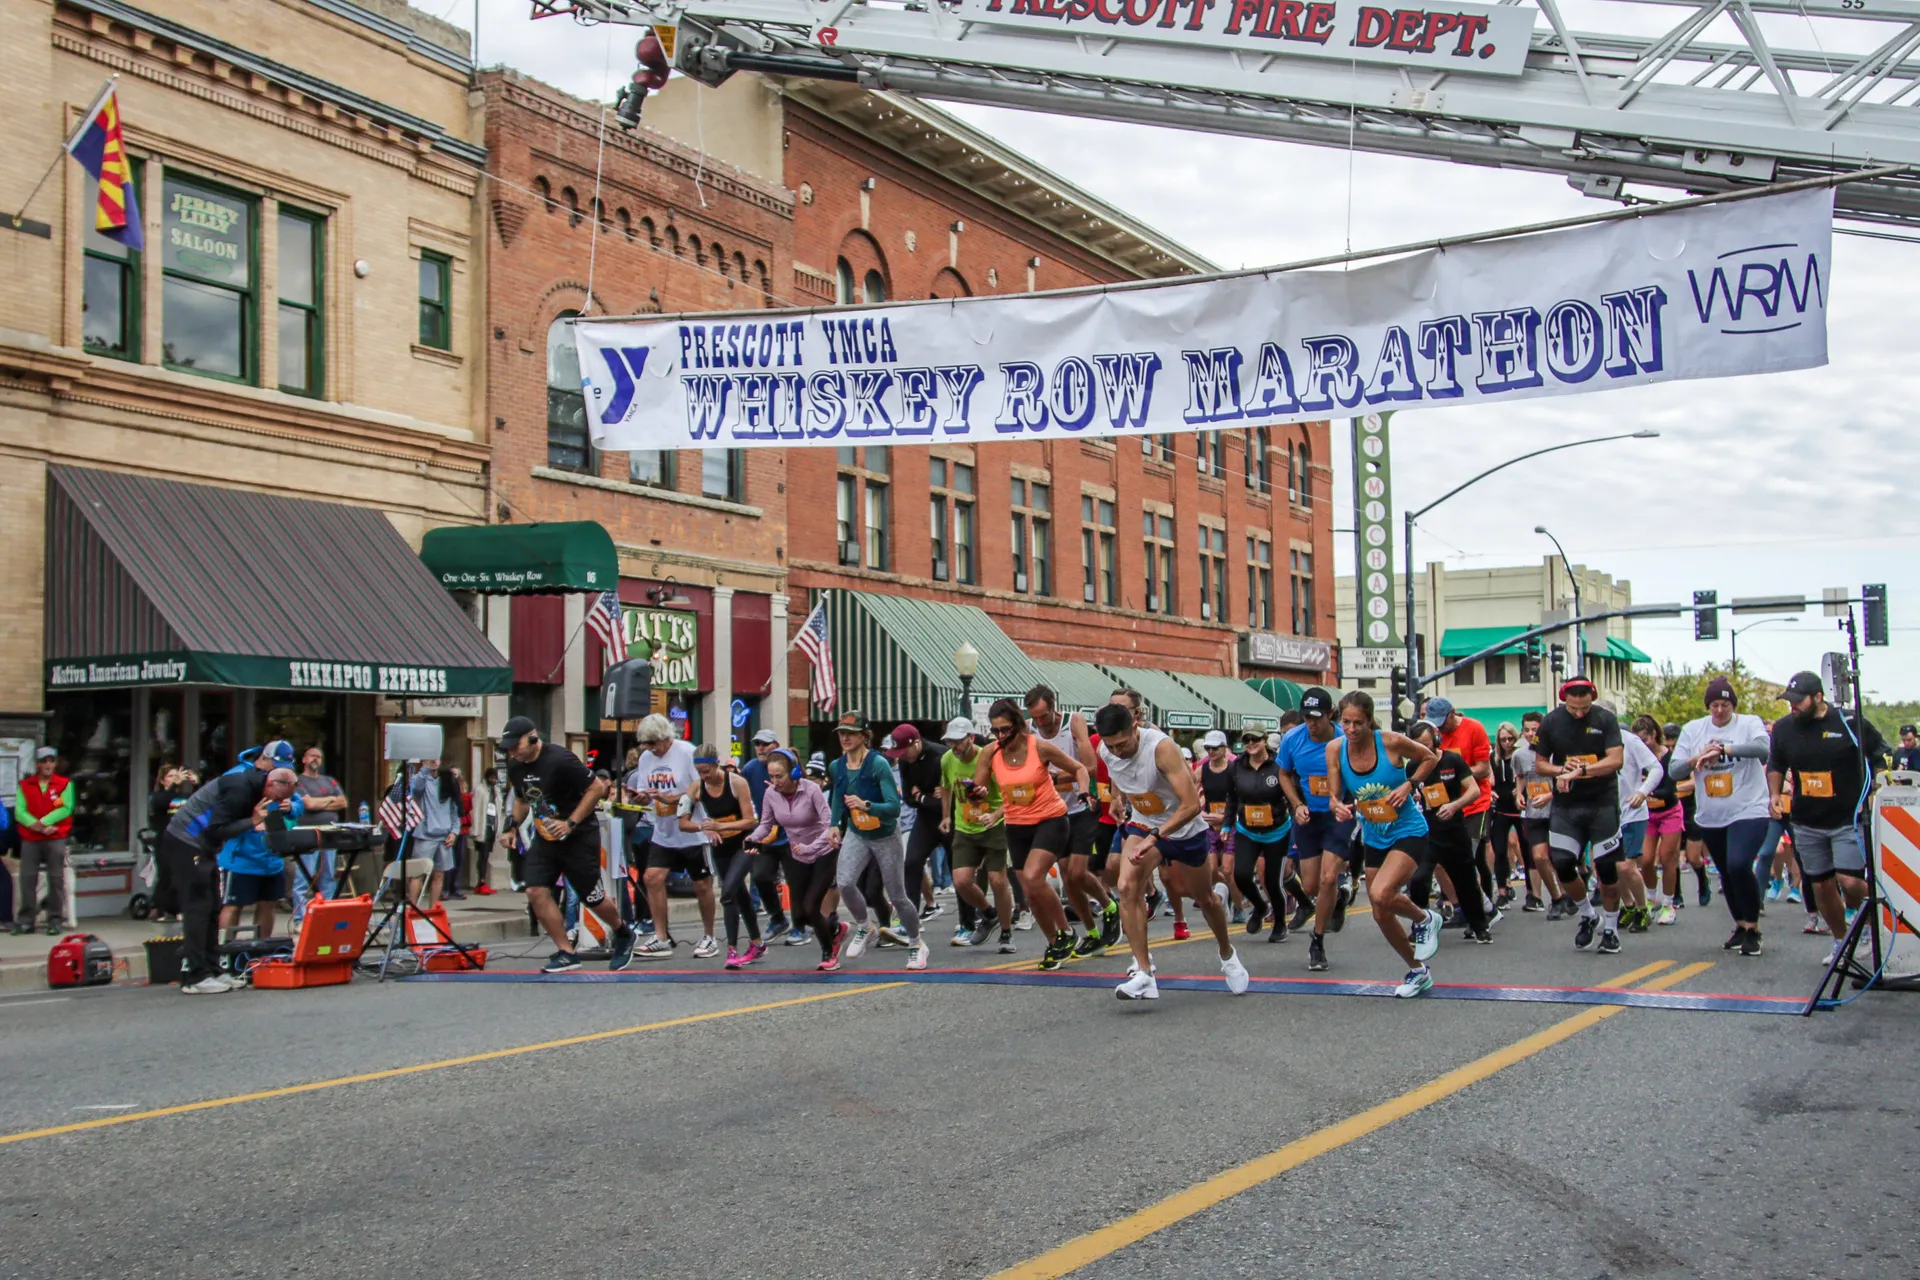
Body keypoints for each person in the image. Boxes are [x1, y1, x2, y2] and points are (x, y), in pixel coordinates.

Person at [1096, 702, 1248, 1002]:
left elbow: (1192, 805)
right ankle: (1144, 973)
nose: (1117, 751)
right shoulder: (1107, 750)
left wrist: (1156, 836)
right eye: (1110, 745)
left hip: (1184, 829)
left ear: (1135, 729)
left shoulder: (1161, 749)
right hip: (1143, 824)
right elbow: (1119, 773)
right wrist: (1116, 798)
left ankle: (1228, 954)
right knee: (1126, 886)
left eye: (1123, 744)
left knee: (1204, 899)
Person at [1324, 692, 1442, 997]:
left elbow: (1430, 757)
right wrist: (1337, 806)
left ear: (1370, 720)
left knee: (1380, 892)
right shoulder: (1335, 749)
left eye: (1358, 723)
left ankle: (1425, 918)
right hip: (1374, 834)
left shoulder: (1390, 741)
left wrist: (1409, 784)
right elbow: (1335, 795)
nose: (1350, 729)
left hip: (1407, 829)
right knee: (1380, 910)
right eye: (1345, 722)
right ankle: (1418, 970)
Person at [496, 717, 636, 974]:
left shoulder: (560, 759)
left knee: (591, 897)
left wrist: (570, 823)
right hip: (545, 838)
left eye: (516, 745)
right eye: (508, 748)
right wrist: (511, 827)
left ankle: (622, 932)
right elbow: (521, 800)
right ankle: (566, 952)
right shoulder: (516, 766)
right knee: (535, 890)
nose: (512, 751)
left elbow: (596, 789)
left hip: (578, 835)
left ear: (533, 738)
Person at [1769, 671, 1889, 964]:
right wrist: (1774, 794)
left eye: (1798, 701)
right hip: (1807, 820)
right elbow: (1777, 763)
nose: (1792, 707)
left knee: (1849, 881)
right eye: (1789, 702)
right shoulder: (1784, 729)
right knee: (1821, 885)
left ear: (1819, 698)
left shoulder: (1848, 722)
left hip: (1847, 818)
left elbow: (1879, 754)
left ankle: (1873, 921)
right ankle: (1841, 940)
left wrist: (1878, 780)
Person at [162, 740, 295, 992]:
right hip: (186, 839)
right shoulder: (240, 787)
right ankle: (194, 977)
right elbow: (216, 829)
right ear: (269, 782)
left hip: (205, 845)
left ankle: (213, 968)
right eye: (276, 798)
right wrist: (252, 820)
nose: (275, 802)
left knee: (213, 905)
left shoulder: (260, 784)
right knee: (197, 907)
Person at [972, 699, 1089, 971]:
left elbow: (1080, 769)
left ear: (1019, 726)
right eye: (995, 731)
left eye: (1005, 730)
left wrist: (1083, 791)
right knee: (1030, 891)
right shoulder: (990, 753)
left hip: (1051, 819)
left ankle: (1067, 932)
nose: (1001, 737)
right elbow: (976, 791)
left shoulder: (1039, 747)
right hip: (1016, 824)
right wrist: (975, 795)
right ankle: (1054, 943)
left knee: (1035, 877)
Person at [1672, 677, 1773, 957]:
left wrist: (1725, 749)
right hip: (1712, 814)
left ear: (1733, 705)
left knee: (1739, 864)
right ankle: (1740, 925)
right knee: (1727, 873)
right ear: (1708, 706)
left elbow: (1763, 749)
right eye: (1714, 705)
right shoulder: (1693, 730)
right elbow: (1674, 770)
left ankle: (1753, 928)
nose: (1719, 710)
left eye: (1725, 704)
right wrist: (1698, 757)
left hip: (1749, 808)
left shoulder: (1748, 723)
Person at [1532, 677, 1628, 954]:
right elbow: (1540, 764)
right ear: (1565, 701)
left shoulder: (1605, 719)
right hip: (1567, 806)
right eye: (1574, 708)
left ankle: (1610, 928)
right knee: (1562, 863)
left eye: (1584, 707)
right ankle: (1587, 914)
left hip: (1602, 803)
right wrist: (1562, 769)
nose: (1579, 712)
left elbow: (1615, 760)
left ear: (1592, 699)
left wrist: (1583, 771)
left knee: (1607, 869)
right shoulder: (1551, 722)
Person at [830, 711, 929, 970]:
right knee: (845, 882)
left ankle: (917, 943)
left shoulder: (878, 764)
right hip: (857, 833)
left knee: (897, 895)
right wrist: (833, 825)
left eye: (850, 733)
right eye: (841, 733)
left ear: (864, 735)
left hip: (885, 834)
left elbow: (894, 808)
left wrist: (866, 805)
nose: (845, 738)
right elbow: (837, 800)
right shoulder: (837, 766)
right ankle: (865, 926)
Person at [1027, 686, 1120, 957]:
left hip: (1081, 805)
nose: (1040, 723)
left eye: (1044, 716)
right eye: (1036, 718)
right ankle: (1091, 931)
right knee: (1067, 877)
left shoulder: (1073, 721)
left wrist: (1057, 778)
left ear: (1054, 708)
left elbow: (1089, 768)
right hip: (1053, 812)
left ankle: (1109, 906)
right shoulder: (1029, 730)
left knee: (1077, 872)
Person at [629, 715, 720, 959]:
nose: (650, 749)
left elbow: (701, 790)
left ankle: (710, 935)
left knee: (701, 884)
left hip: (692, 829)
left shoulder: (687, 752)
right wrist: (643, 797)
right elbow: (648, 793)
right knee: (652, 877)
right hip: (663, 830)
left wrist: (672, 798)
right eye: (646, 745)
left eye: (653, 743)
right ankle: (661, 936)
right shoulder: (646, 759)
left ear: (666, 737)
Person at [747, 749, 845, 970]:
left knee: (811, 905)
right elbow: (766, 824)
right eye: (771, 776)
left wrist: (811, 847)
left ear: (794, 772)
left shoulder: (812, 790)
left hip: (824, 850)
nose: (775, 781)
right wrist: (752, 838)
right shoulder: (771, 794)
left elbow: (830, 824)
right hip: (798, 854)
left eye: (779, 776)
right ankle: (835, 929)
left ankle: (829, 954)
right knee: (799, 915)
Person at [1275, 687, 1349, 971]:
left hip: (1339, 814)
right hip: (1309, 814)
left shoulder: (1344, 739)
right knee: (1309, 885)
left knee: (1329, 878)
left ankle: (1317, 942)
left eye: (1317, 717)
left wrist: (1345, 803)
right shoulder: (1293, 739)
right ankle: (1339, 898)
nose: (1312, 724)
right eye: (1307, 717)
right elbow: (1283, 773)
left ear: (1331, 714)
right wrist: (1296, 804)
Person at [1405, 720, 1492, 943]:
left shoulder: (1452, 760)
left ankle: (1479, 926)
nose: (1424, 751)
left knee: (1466, 882)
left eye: (1427, 744)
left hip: (1454, 830)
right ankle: (1421, 924)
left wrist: (1454, 806)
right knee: (1418, 879)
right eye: (1418, 747)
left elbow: (1473, 790)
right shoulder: (1413, 767)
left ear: (1435, 740)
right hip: (1427, 833)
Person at [682, 745, 764, 968]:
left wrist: (721, 824)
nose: (703, 775)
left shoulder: (736, 782)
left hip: (744, 843)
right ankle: (757, 943)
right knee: (740, 894)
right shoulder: (697, 787)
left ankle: (732, 951)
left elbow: (750, 820)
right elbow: (683, 822)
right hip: (721, 847)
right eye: (699, 771)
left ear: (716, 764)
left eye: (706, 770)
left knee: (728, 893)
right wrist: (704, 828)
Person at [938, 717, 1013, 951]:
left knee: (998, 881)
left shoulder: (989, 757)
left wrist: (995, 815)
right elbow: (946, 786)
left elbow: (1009, 794)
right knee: (961, 881)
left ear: (971, 738)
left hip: (994, 825)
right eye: (950, 742)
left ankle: (1006, 932)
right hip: (965, 827)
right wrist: (947, 815)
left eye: (959, 742)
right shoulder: (947, 759)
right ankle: (989, 914)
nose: (955, 747)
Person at [1223, 725, 1291, 943]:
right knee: (1240, 874)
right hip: (1247, 829)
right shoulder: (1237, 766)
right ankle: (1260, 906)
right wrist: (1226, 825)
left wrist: (1299, 810)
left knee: (1272, 882)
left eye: (1255, 739)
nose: (1251, 744)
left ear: (1265, 740)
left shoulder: (1279, 764)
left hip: (1277, 831)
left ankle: (1280, 923)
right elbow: (1231, 798)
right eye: (1246, 740)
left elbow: (1291, 792)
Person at [1427, 697, 1496, 911]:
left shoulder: (1474, 728)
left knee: (1466, 858)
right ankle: (1461, 905)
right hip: (1444, 804)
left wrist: (1454, 775)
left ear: (1452, 714)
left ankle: (1481, 908)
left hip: (1474, 801)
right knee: (1442, 860)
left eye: (1442, 722)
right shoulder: (1433, 735)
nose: (1440, 728)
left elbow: (1483, 768)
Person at [217, 767, 301, 942]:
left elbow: (299, 806)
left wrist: (292, 807)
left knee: (268, 903)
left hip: (272, 861)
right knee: (233, 905)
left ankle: (263, 948)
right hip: (241, 861)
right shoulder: (245, 788)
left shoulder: (287, 787)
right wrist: (251, 821)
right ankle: (225, 949)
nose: (279, 801)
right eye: (279, 797)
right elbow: (226, 822)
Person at [1602, 700, 1663, 933]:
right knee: (1609, 867)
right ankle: (1627, 905)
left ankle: (1642, 908)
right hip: (1606, 813)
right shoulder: (1592, 743)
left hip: (1632, 812)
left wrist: (1642, 791)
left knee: (1626, 865)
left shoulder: (1631, 741)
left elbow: (1656, 769)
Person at [888, 724, 949, 925]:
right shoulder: (906, 762)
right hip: (925, 819)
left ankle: (969, 920)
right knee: (912, 862)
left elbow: (947, 800)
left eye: (905, 751)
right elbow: (908, 797)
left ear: (916, 743)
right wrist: (928, 797)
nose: (903, 756)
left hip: (950, 817)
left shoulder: (941, 755)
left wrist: (922, 796)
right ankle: (910, 920)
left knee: (959, 871)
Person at [740, 728, 794, 941]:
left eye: (765, 744)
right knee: (761, 877)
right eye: (757, 744)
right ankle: (778, 918)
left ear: (776, 746)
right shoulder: (749, 769)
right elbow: (744, 799)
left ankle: (801, 925)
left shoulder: (791, 767)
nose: (760, 748)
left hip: (791, 832)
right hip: (764, 832)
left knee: (796, 880)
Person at [13, 748, 73, 936]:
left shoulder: (64, 784)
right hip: (31, 837)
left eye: (51, 761)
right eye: (44, 761)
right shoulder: (25, 785)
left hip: (55, 836)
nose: (47, 765)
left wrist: (46, 822)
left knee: (56, 878)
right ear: (37, 764)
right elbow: (19, 811)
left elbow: (66, 807)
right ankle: (26, 921)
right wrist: (35, 825)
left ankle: (55, 919)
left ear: (55, 764)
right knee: (28, 878)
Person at [1633, 717, 1686, 926]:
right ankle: (1652, 897)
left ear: (1654, 735)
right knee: (1646, 860)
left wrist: (1647, 789)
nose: (1641, 745)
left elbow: (1670, 790)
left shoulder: (1668, 757)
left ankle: (1668, 904)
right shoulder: (1638, 758)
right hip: (1648, 814)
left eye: (1644, 740)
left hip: (1670, 811)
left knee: (1667, 858)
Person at [289, 748, 345, 928]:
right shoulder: (298, 781)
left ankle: (325, 915)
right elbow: (308, 804)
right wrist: (330, 799)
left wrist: (320, 802)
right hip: (307, 833)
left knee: (328, 875)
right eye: (312, 755)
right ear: (304, 759)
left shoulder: (329, 780)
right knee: (304, 877)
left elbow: (343, 802)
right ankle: (301, 919)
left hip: (330, 832)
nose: (316, 758)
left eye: (319, 756)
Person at [407, 758, 462, 908]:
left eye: (436, 759)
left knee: (439, 874)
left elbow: (455, 808)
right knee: (418, 873)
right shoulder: (421, 779)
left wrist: (454, 832)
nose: (435, 762)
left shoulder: (447, 780)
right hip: (425, 835)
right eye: (431, 759)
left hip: (444, 835)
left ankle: (433, 910)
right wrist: (425, 768)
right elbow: (416, 788)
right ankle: (413, 908)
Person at [1487, 723, 1526, 912]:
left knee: (1526, 848)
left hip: (1520, 807)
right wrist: (1490, 791)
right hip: (1501, 809)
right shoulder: (1493, 759)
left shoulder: (1520, 756)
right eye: (1503, 739)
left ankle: (1533, 892)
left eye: (1510, 739)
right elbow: (1488, 780)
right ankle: (1503, 889)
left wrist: (1520, 791)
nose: (1507, 743)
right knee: (1499, 850)